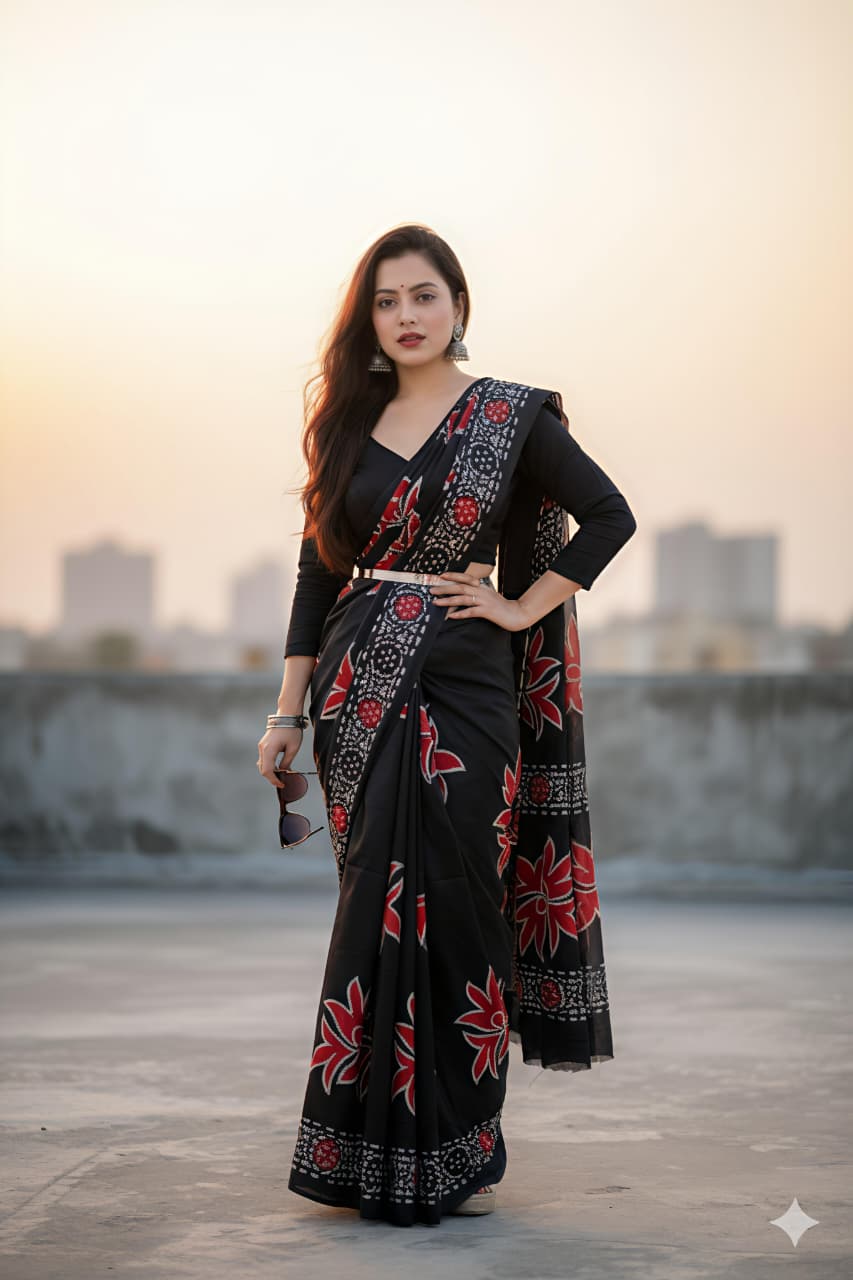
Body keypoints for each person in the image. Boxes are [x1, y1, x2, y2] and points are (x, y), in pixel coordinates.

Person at [257, 223, 637, 1228]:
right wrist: (285, 711)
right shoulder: (347, 423)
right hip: (355, 684)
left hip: (470, 685)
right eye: (386, 301)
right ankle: (355, 1147)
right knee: (369, 899)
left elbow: (608, 514)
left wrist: (519, 605)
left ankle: (461, 1148)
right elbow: (315, 574)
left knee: (461, 893)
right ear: (368, 320)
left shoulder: (508, 418)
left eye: (423, 295)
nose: (407, 316)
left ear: (457, 306)